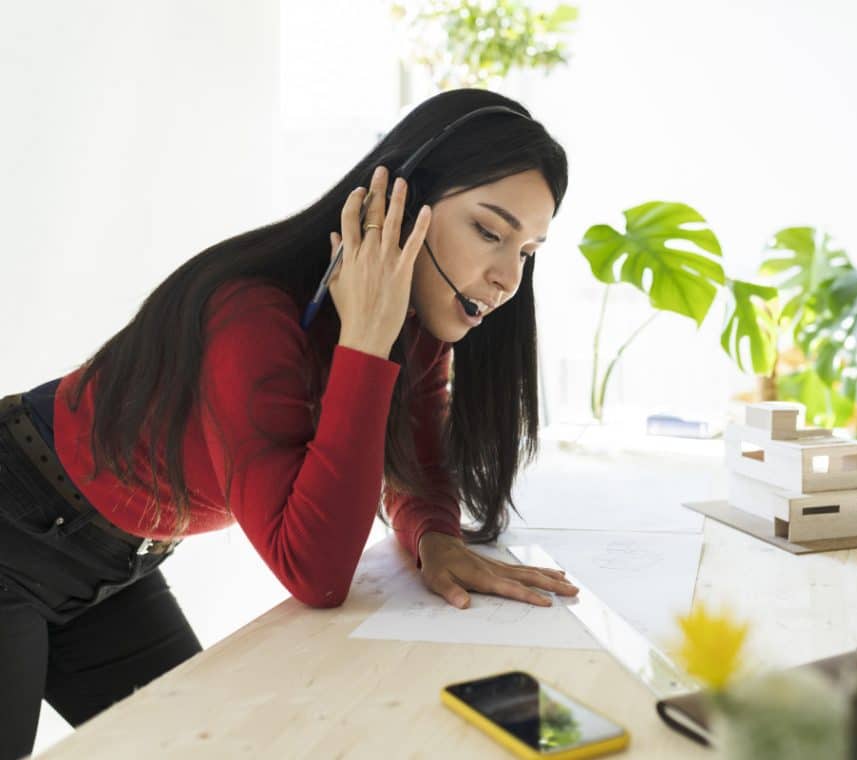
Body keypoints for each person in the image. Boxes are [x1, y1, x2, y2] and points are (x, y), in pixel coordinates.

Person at [0, 87, 577, 758]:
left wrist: (435, 538)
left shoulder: (412, 331)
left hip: (117, 557)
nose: (507, 277)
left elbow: (416, 468)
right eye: (489, 231)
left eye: (529, 250)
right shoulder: (250, 312)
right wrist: (363, 341)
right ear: (403, 203)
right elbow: (316, 573)